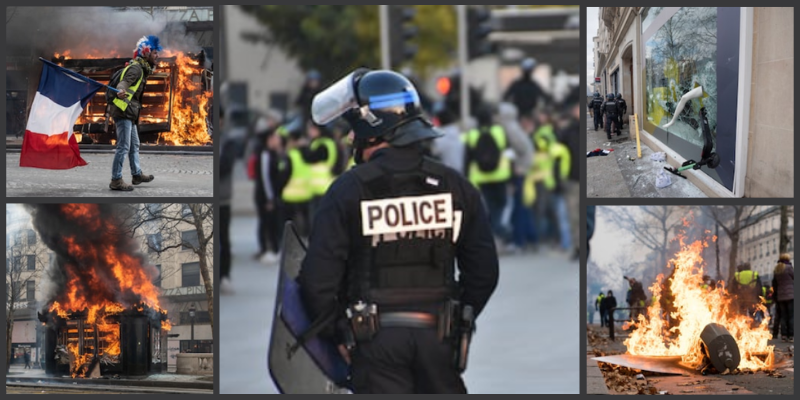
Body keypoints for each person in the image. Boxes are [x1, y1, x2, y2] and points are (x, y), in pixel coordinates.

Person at [299, 69, 499, 394]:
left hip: (371, 345)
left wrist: (339, 333)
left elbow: (317, 280)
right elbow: (484, 273)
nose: (350, 139)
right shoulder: (456, 187)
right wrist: (455, 318)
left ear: (370, 130)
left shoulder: (347, 191)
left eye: (353, 130)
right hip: (438, 340)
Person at [108, 35, 160, 191]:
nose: (157, 56)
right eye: (155, 53)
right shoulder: (136, 68)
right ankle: (116, 180)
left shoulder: (142, 69)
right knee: (123, 146)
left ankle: (136, 174)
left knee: (134, 144)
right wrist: (120, 90)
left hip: (130, 112)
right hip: (123, 110)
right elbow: (124, 82)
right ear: (146, 53)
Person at [772, 254, 794, 342]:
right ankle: (791, 335)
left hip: (780, 296)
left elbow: (775, 283)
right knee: (791, 316)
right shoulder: (789, 268)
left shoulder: (777, 269)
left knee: (783, 316)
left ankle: (784, 335)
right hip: (790, 295)